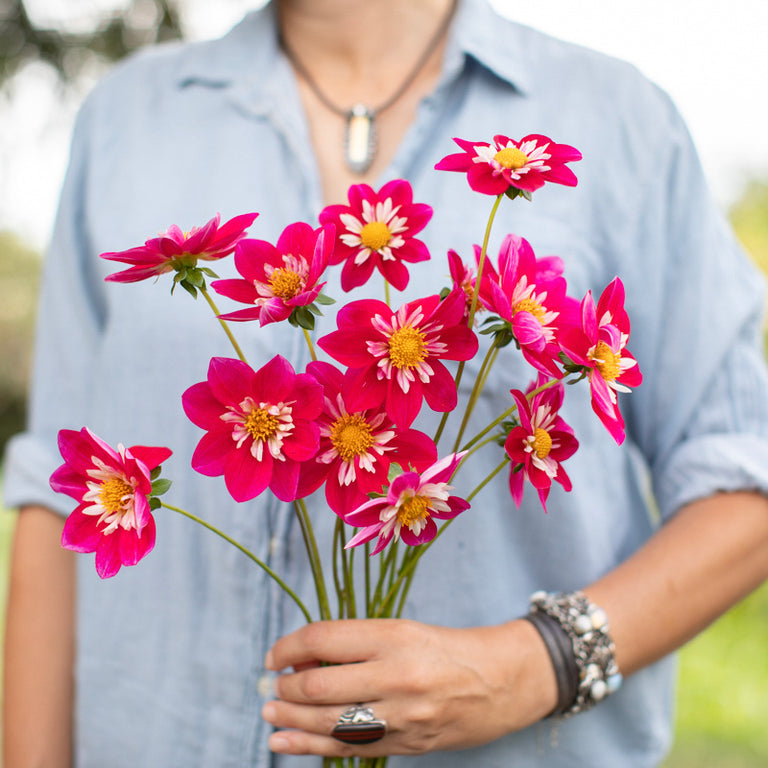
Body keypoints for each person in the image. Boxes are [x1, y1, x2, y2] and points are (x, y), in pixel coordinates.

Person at [4, 0, 768, 766]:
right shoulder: (125, 117)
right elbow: (60, 492)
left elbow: (747, 476)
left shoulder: (618, 118)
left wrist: (532, 665)